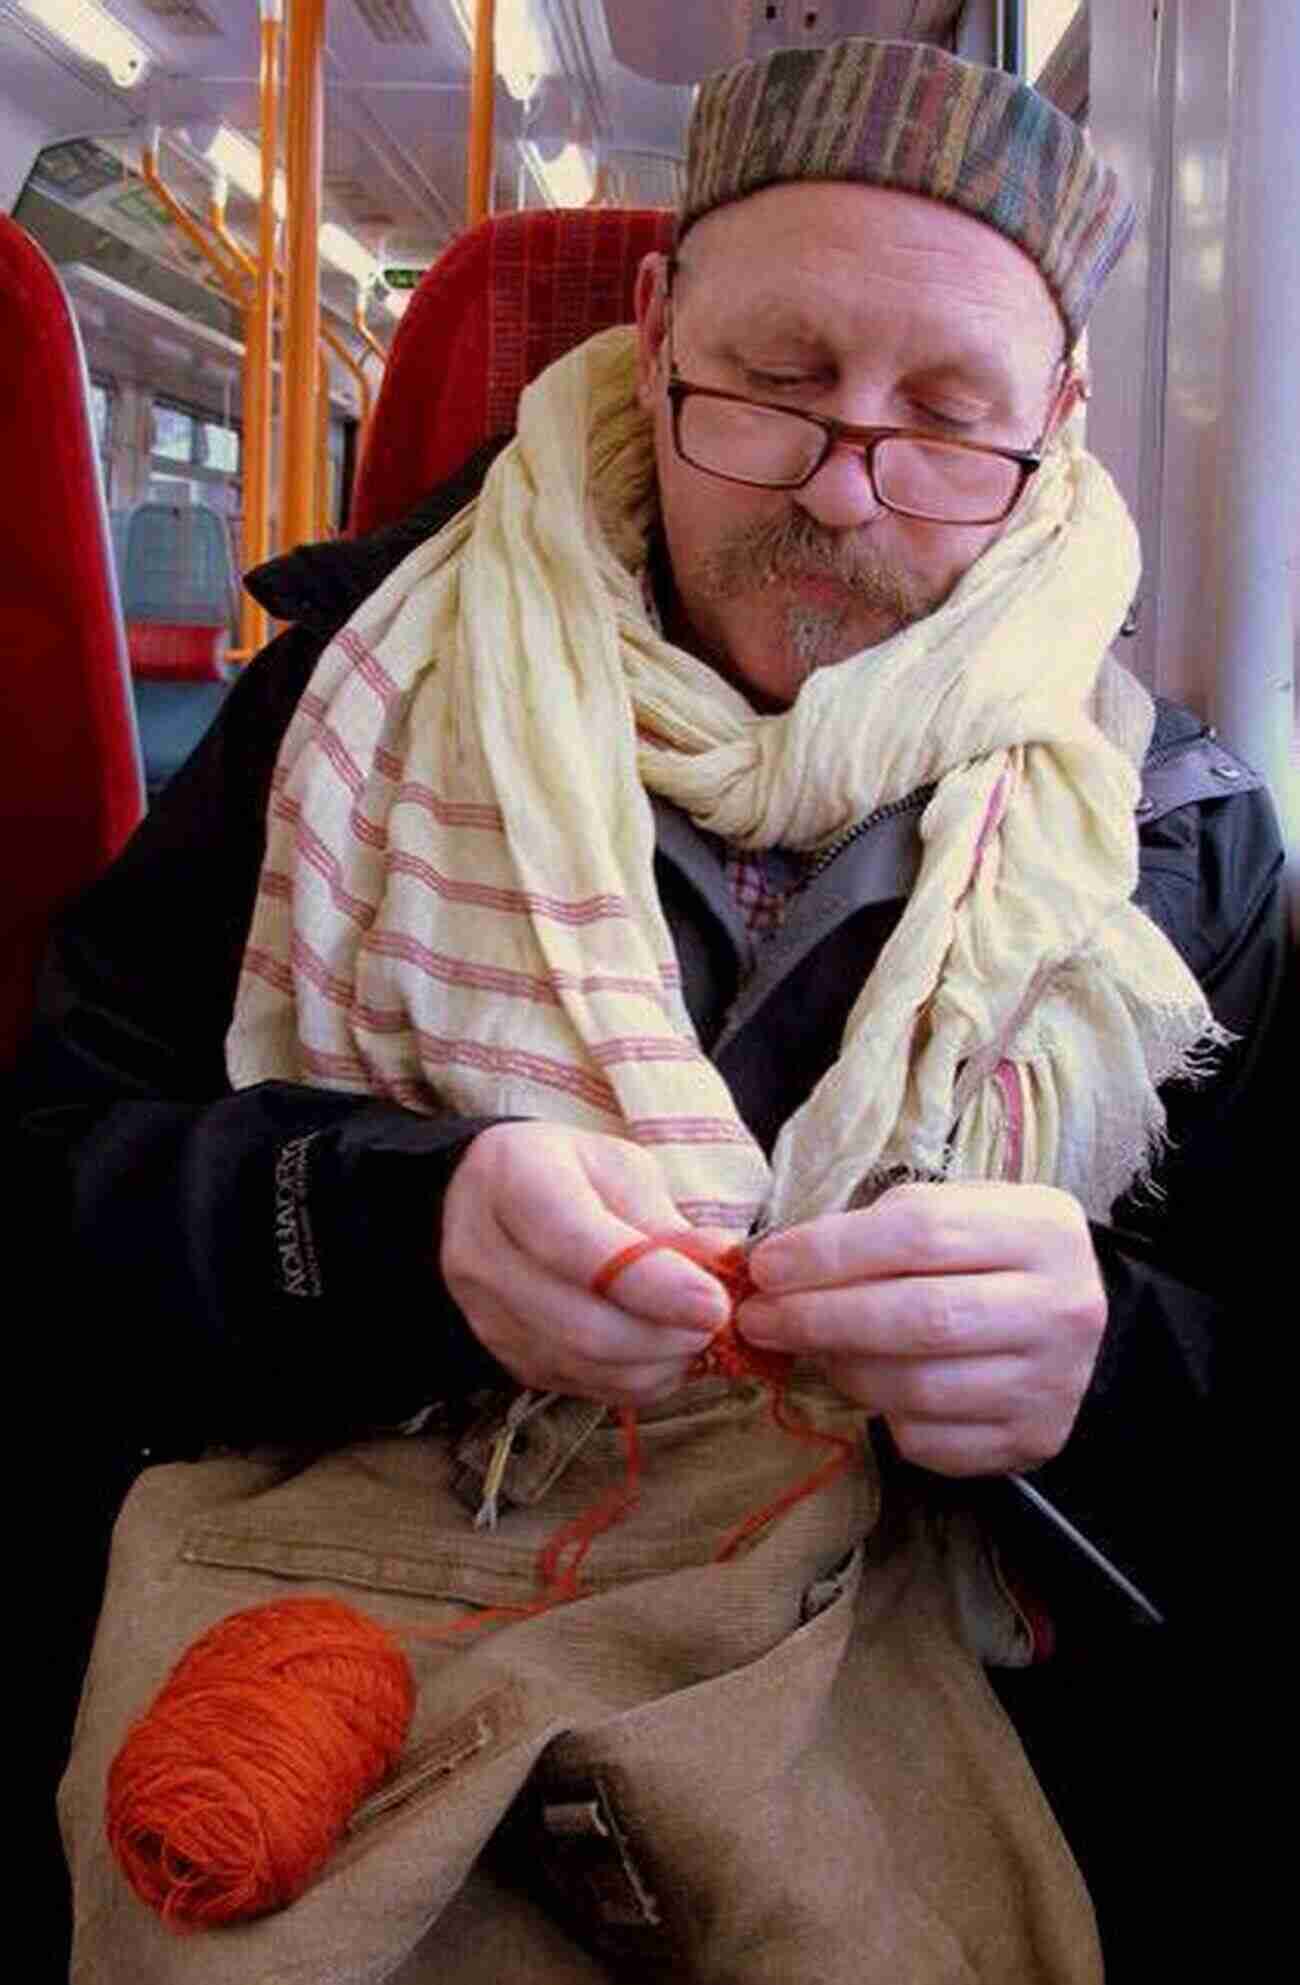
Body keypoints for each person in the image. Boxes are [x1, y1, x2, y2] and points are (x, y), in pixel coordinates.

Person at [17, 35, 1289, 1985]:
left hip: (888, 1650)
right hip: (373, 1571)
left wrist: (1100, 1373)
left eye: (947, 419)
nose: (840, 495)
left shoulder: (1176, 843)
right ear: (651, 322)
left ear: (1063, 413)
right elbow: (52, 1195)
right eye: (771, 386)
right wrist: (390, 1226)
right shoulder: (336, 705)